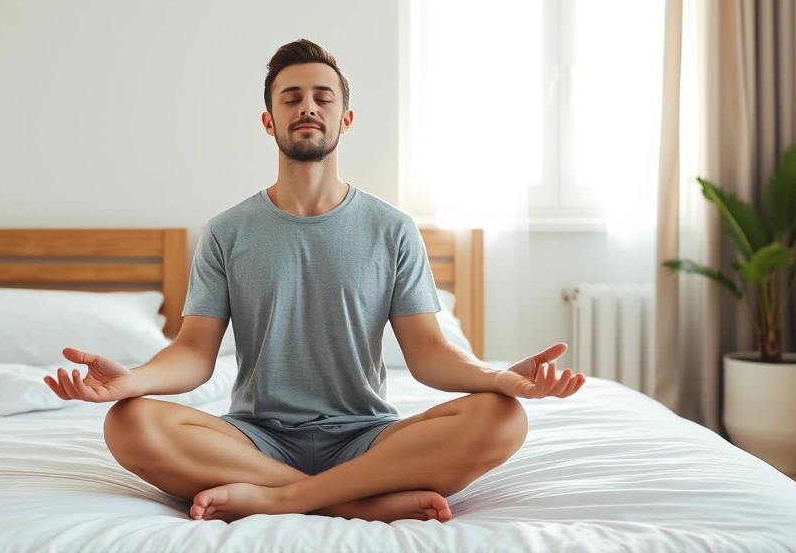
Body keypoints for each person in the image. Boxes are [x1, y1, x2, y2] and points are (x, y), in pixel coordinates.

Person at [43, 39, 585, 523]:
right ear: (269, 121)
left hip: (367, 437)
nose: (307, 106)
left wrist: (496, 379)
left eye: (323, 97)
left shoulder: (392, 229)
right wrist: (132, 382)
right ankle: (350, 501)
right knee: (127, 424)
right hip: (254, 440)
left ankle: (283, 498)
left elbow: (428, 353)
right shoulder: (227, 232)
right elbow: (192, 353)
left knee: (502, 419)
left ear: (345, 118)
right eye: (291, 97)